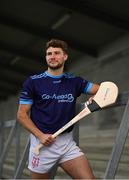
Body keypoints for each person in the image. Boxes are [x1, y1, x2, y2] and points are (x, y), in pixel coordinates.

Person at [17, 39, 100, 179]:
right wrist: (40, 135)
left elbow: (103, 89)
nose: (52, 56)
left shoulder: (74, 81)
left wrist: (96, 96)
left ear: (65, 56)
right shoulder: (33, 82)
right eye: (49, 54)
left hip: (66, 143)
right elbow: (21, 115)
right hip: (42, 144)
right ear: (46, 57)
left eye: (57, 53)